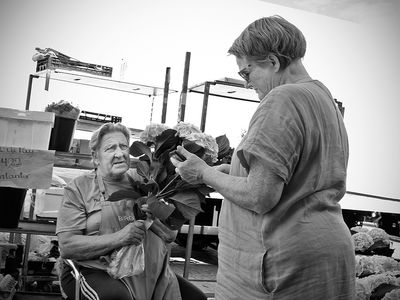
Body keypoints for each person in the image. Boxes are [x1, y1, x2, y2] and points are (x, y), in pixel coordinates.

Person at [171, 16, 355, 299]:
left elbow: (260, 196)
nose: (246, 83)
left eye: (247, 72)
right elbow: (299, 175)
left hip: (281, 266)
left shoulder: (282, 99)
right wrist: (230, 172)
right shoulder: (322, 97)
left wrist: (204, 173)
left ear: (273, 61)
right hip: (322, 258)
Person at [56, 122, 206, 300]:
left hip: (148, 272)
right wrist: (121, 237)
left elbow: (169, 236)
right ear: (95, 157)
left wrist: (153, 215)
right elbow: (67, 246)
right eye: (110, 148)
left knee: (197, 298)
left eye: (124, 146)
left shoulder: (146, 181)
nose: (119, 154)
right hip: (95, 269)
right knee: (116, 297)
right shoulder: (80, 187)